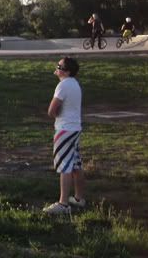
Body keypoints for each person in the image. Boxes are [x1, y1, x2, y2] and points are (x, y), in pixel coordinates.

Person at [43, 56, 86, 215]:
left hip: (64, 130)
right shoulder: (74, 84)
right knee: (76, 164)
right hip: (75, 128)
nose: (56, 68)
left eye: (59, 66)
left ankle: (63, 203)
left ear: (66, 72)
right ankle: (79, 198)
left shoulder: (63, 85)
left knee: (64, 166)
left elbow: (51, 110)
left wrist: (57, 116)